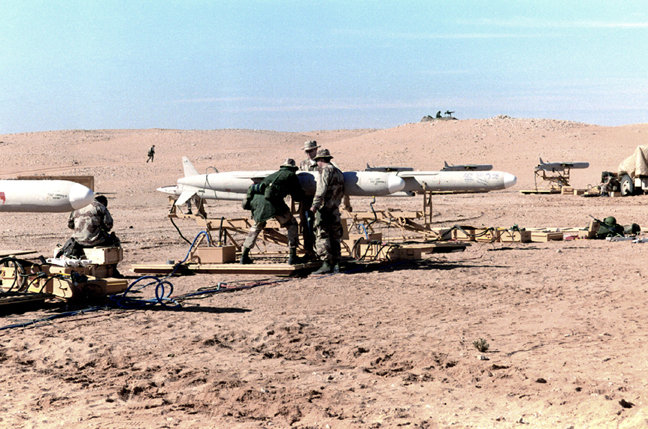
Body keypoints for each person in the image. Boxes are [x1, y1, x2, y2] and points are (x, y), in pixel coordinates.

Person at [240, 158, 305, 265]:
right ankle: (293, 256)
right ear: (293, 169)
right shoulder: (291, 175)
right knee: (292, 224)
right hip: (274, 203)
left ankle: (244, 256)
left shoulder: (273, 175)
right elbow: (298, 196)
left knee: (256, 227)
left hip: (258, 203)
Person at [310, 149, 345, 274]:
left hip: (324, 208)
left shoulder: (325, 171)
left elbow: (321, 189)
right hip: (335, 208)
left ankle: (326, 263)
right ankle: (336, 263)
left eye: (317, 161)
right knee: (335, 235)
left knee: (322, 234)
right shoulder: (339, 172)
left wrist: (315, 206)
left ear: (320, 160)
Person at [298, 140, 320, 260]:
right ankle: (309, 251)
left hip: (319, 200)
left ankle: (321, 252)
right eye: (307, 151)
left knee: (320, 227)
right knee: (306, 226)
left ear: (316, 150)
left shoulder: (322, 164)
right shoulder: (303, 164)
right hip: (306, 201)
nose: (309, 154)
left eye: (311, 151)